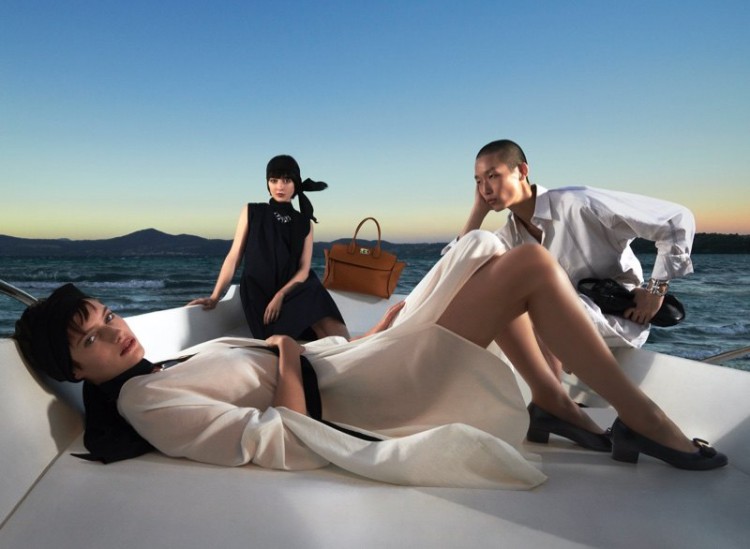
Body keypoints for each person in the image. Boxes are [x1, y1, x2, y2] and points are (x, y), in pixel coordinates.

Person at [14, 232, 727, 490]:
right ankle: (640, 418)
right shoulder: (144, 401)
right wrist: (287, 350)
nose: (113, 332)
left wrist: (365, 335)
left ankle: (556, 403)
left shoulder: (157, 370)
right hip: (365, 398)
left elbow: (288, 371)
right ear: (75, 372)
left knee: (484, 248)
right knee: (529, 266)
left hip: (353, 365)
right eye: (90, 339)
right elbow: (285, 440)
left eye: (107, 316)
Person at [444, 139, 696, 376]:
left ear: (521, 171)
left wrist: (656, 291)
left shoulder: (579, 204)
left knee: (522, 300)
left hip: (617, 319)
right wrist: (477, 212)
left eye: (492, 176)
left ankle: (552, 397)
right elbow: (454, 271)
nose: (485, 189)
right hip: (562, 330)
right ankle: (547, 394)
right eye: (478, 182)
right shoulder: (510, 236)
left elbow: (676, 219)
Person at [189, 154, 349, 340]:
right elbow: (234, 257)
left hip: (291, 290)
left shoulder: (304, 222)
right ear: (267, 183)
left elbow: (304, 270)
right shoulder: (252, 211)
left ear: (295, 183)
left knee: (317, 299)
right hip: (260, 295)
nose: (279, 186)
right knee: (303, 327)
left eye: (286, 180)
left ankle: (349, 346)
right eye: (274, 180)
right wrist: (215, 296)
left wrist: (280, 295)